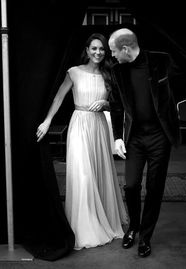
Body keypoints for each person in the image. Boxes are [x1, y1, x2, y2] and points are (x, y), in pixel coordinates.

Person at [108, 28, 186, 258]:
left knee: (155, 188)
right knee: (130, 185)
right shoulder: (117, 71)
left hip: (160, 136)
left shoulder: (160, 60)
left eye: (113, 51)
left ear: (125, 49)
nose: (113, 55)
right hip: (136, 137)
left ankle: (145, 237)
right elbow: (117, 105)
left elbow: (181, 76)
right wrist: (118, 136)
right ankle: (133, 227)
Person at [36, 33, 128, 250]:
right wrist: (47, 122)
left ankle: (101, 218)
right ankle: (83, 226)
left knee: (98, 173)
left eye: (102, 49)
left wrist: (104, 103)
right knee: (83, 175)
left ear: (106, 52)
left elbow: (117, 105)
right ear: (87, 50)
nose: (98, 52)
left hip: (98, 127)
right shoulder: (74, 72)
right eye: (94, 48)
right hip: (79, 125)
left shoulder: (109, 74)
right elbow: (59, 98)